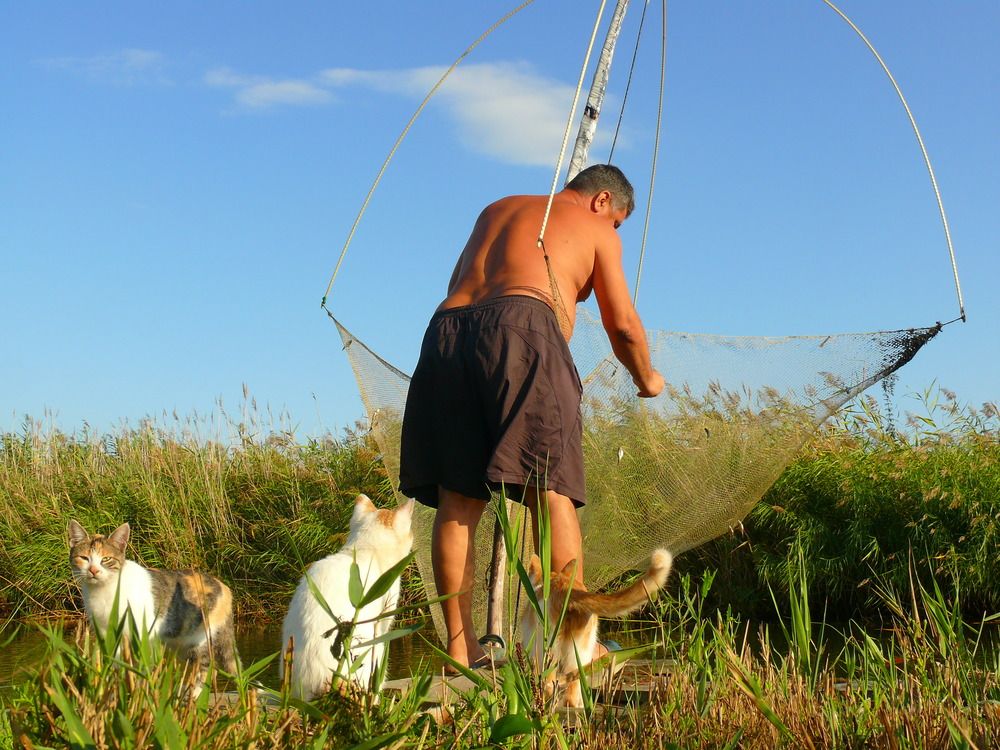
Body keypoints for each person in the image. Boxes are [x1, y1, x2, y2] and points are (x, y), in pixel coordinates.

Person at [399, 164, 664, 669]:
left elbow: (477, 282)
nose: (615, 233)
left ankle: (462, 649)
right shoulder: (596, 228)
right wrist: (646, 378)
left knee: (457, 501)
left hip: (446, 333)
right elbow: (622, 324)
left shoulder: (496, 209)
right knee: (552, 492)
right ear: (603, 201)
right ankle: (572, 651)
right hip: (524, 327)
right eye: (618, 222)